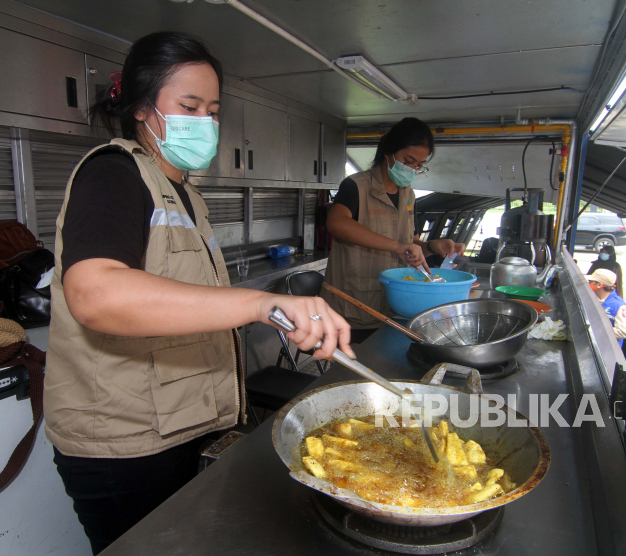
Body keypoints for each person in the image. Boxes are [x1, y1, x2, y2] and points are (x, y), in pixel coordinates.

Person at [43, 32, 353, 555]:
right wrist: (261, 304)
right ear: (143, 107)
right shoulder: (112, 174)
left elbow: (181, 299)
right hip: (126, 446)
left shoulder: (185, 193)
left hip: (183, 427)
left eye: (212, 110)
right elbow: (96, 294)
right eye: (189, 106)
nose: (204, 122)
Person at [321, 118, 464, 343]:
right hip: (354, 306)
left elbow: (411, 246)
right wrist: (396, 246)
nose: (413, 169)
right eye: (408, 160)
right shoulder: (356, 186)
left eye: (419, 165)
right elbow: (336, 223)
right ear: (389, 151)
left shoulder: (409, 195)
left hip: (394, 307)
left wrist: (433, 247)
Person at [586, 269, 626, 346]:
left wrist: (594, 330)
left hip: (607, 350)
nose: (588, 284)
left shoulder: (620, 306)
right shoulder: (595, 299)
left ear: (599, 285)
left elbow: (623, 332)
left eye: (591, 282)